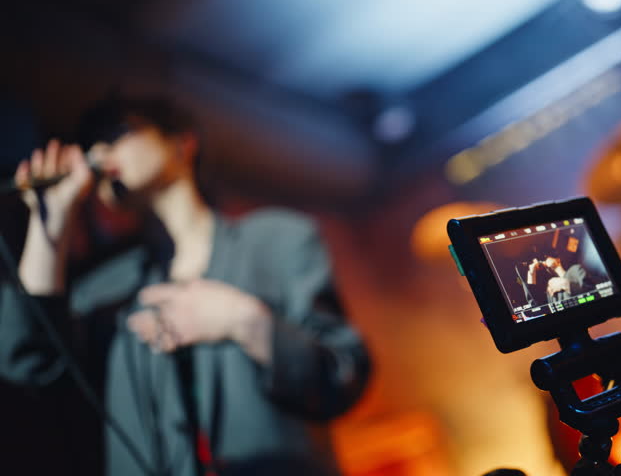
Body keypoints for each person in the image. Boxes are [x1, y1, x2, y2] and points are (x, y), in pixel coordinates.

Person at [0, 95, 371, 476]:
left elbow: (343, 375)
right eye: (93, 143)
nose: (99, 152)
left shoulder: (279, 241)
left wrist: (244, 322)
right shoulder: (106, 289)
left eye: (118, 134)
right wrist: (54, 221)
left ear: (182, 142)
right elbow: (28, 361)